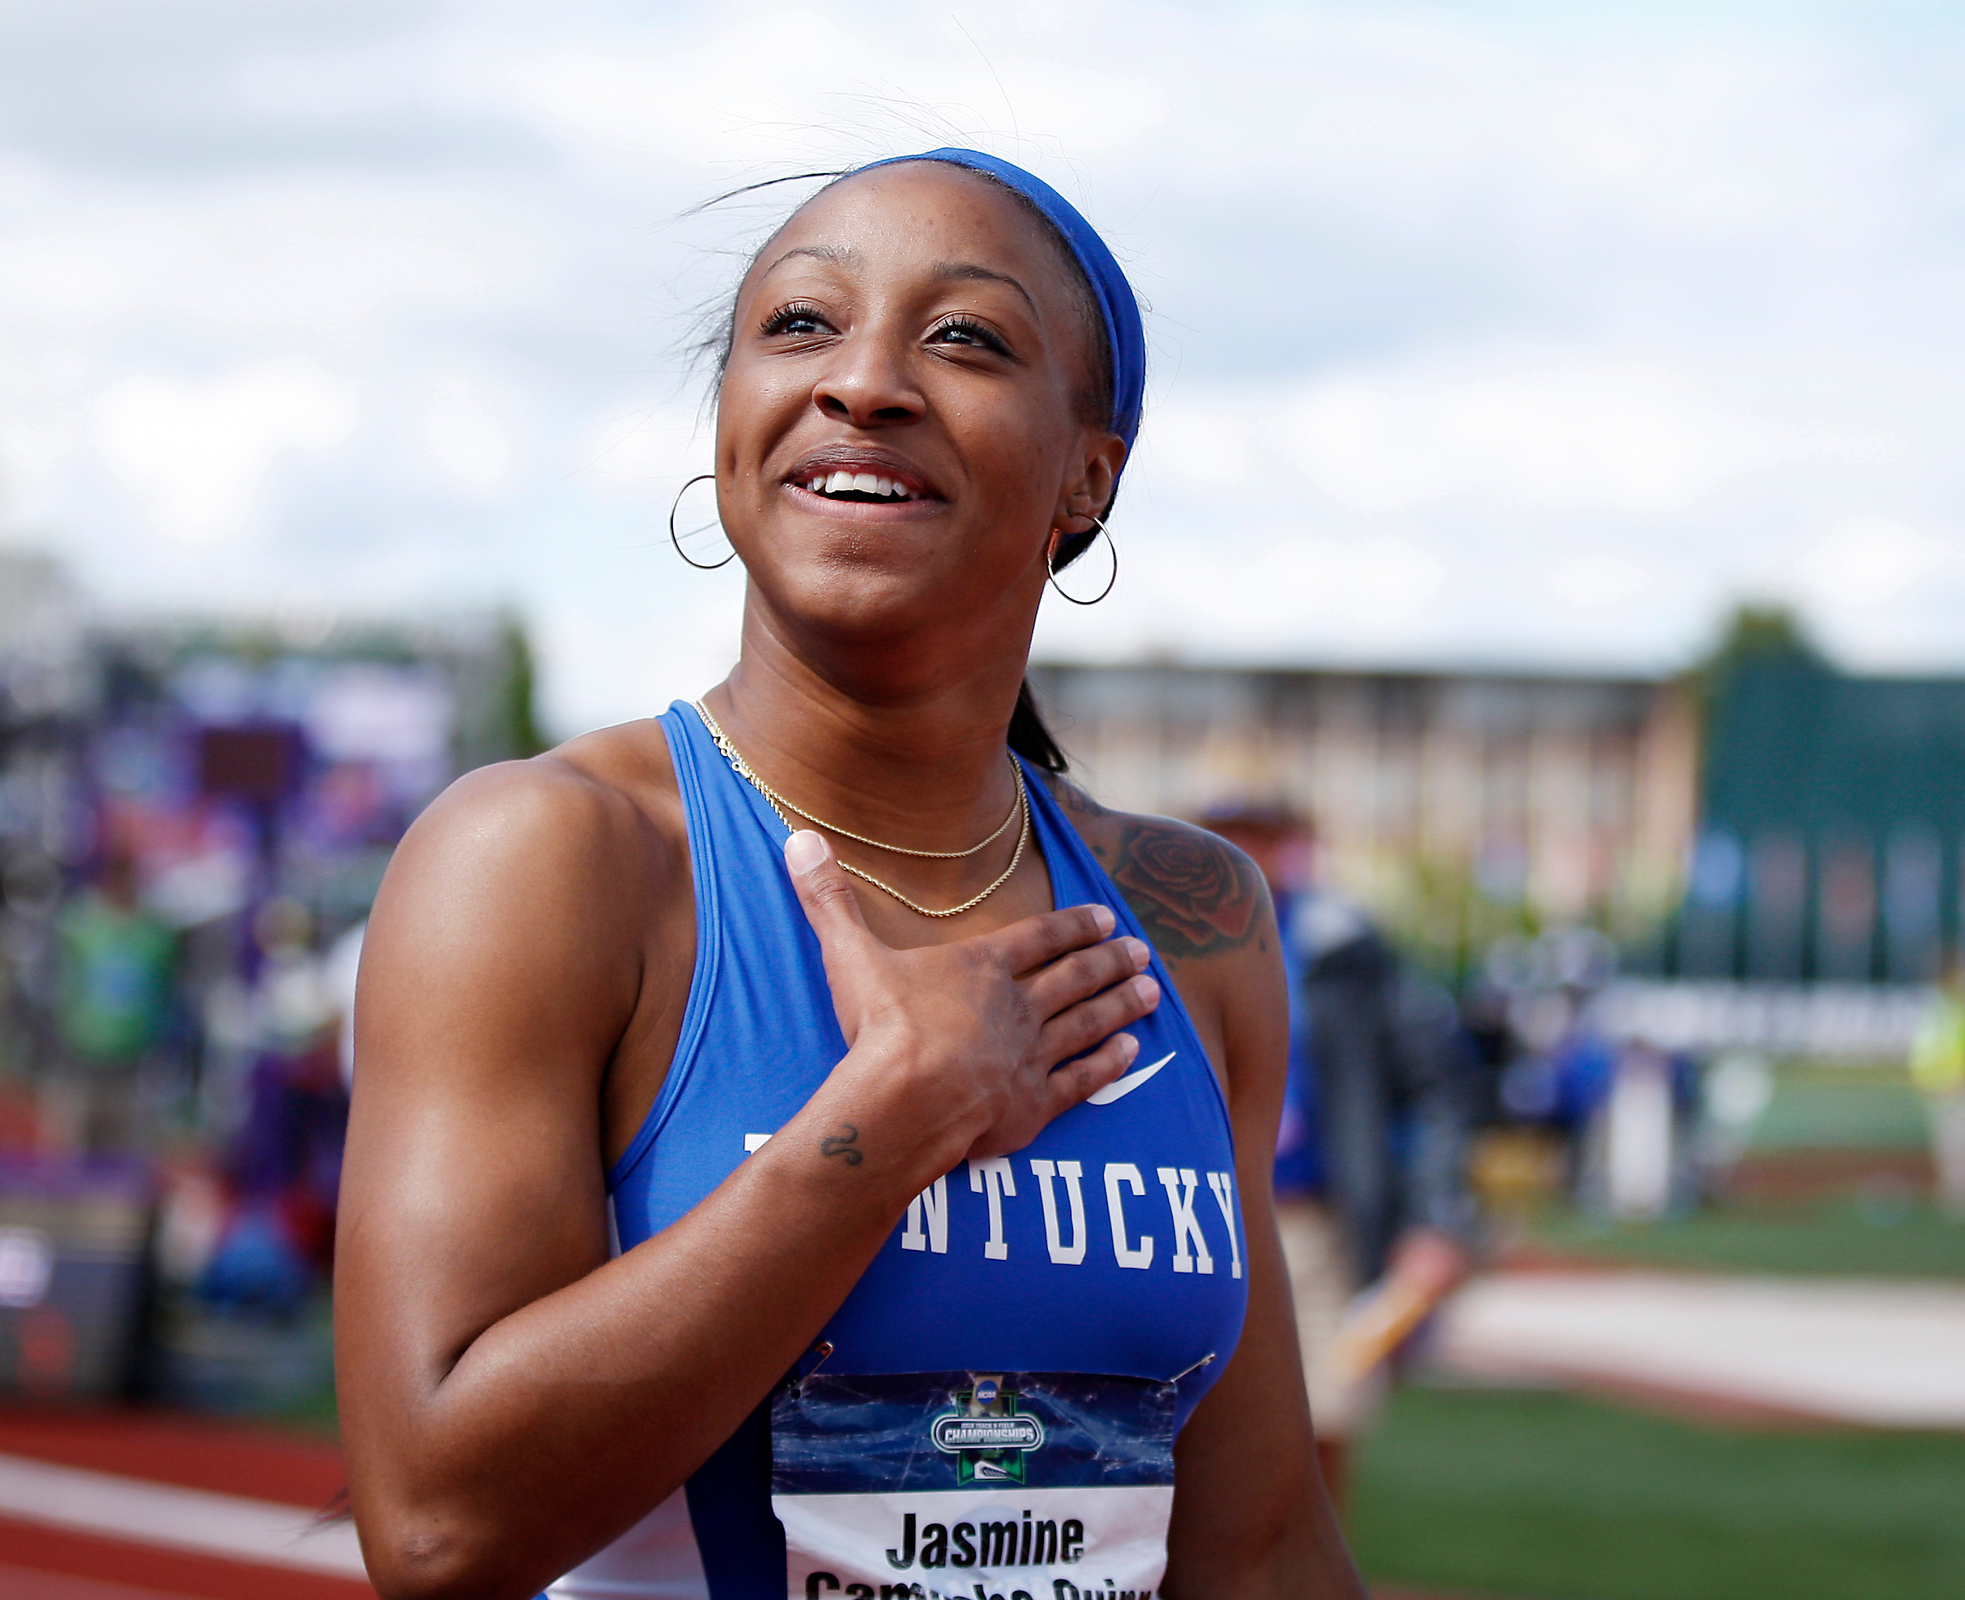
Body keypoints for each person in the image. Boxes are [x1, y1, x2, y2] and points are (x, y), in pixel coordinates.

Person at [335, 149, 1361, 1600]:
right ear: (727, 429)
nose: (864, 382)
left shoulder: (1193, 920)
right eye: (801, 326)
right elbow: (440, 1527)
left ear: (1089, 471)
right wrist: (883, 1128)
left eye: (964, 337)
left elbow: (1254, 1546)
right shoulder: (550, 859)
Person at [1201, 802, 1472, 1505]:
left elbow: (1437, 1087)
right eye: (1225, 831)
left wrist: (1437, 1217)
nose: (1240, 850)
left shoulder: (1345, 947)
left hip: (1320, 1221)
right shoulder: (1160, 935)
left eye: (1258, 832)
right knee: (1195, 1443)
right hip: (1201, 1220)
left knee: (1322, 1436)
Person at [47, 844, 177, 1154]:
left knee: (129, 1155)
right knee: (72, 1150)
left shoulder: (157, 935)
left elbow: (167, 990)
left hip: (134, 1063)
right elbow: (61, 983)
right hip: (82, 1058)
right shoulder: (80, 927)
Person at [1909, 952, 1965, 1221]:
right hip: (1944, 1084)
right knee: (1954, 1140)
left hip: (1961, 1084)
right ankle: (1959, 1193)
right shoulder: (1946, 1005)